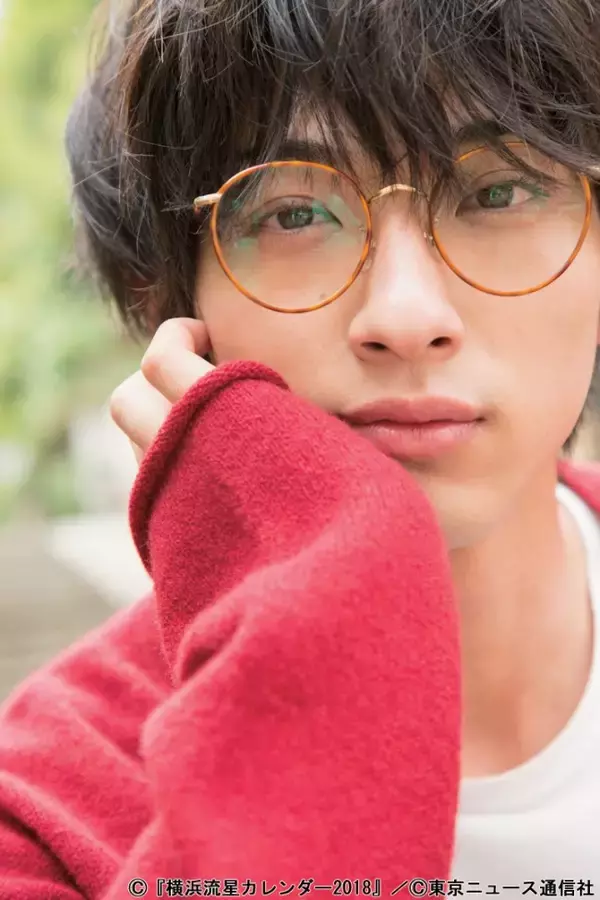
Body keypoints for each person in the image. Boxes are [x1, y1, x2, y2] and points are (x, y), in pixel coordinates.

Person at [2, 0, 600, 894]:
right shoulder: (44, 813)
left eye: (499, 191)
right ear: (168, 301)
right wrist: (343, 584)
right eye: (293, 214)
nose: (405, 315)